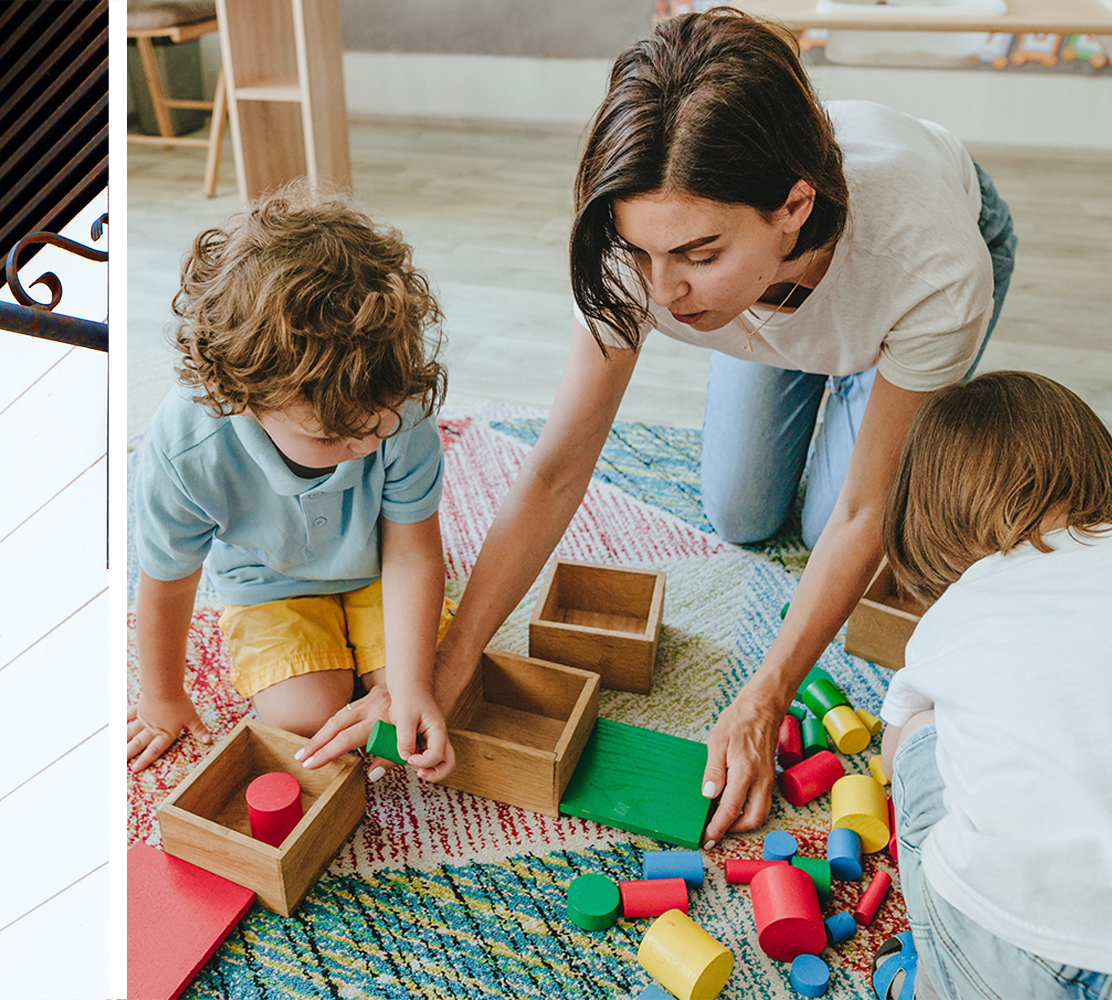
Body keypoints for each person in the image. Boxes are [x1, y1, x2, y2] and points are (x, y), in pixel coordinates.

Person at [303, 7, 1017, 846]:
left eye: (698, 253)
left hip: (888, 283)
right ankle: (766, 318)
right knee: (743, 512)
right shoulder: (635, 247)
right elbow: (557, 468)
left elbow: (864, 517)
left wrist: (763, 697)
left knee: (838, 527)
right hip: (766, 297)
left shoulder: (933, 265)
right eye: (646, 255)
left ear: (791, 207)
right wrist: (447, 663)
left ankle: (816, 344)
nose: (664, 294)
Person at [125, 183, 458, 778]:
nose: (365, 445)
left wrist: (408, 688)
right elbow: (168, 584)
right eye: (332, 438)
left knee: (424, 698)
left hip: (382, 566)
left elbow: (412, 553)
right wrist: (163, 697)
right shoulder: (185, 449)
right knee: (303, 720)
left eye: (377, 427)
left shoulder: (396, 407)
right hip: (268, 581)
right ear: (241, 398)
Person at [875, 371, 1112, 999]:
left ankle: (928, 983)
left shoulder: (961, 607)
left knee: (923, 733)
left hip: (1012, 944)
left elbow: (892, 750)